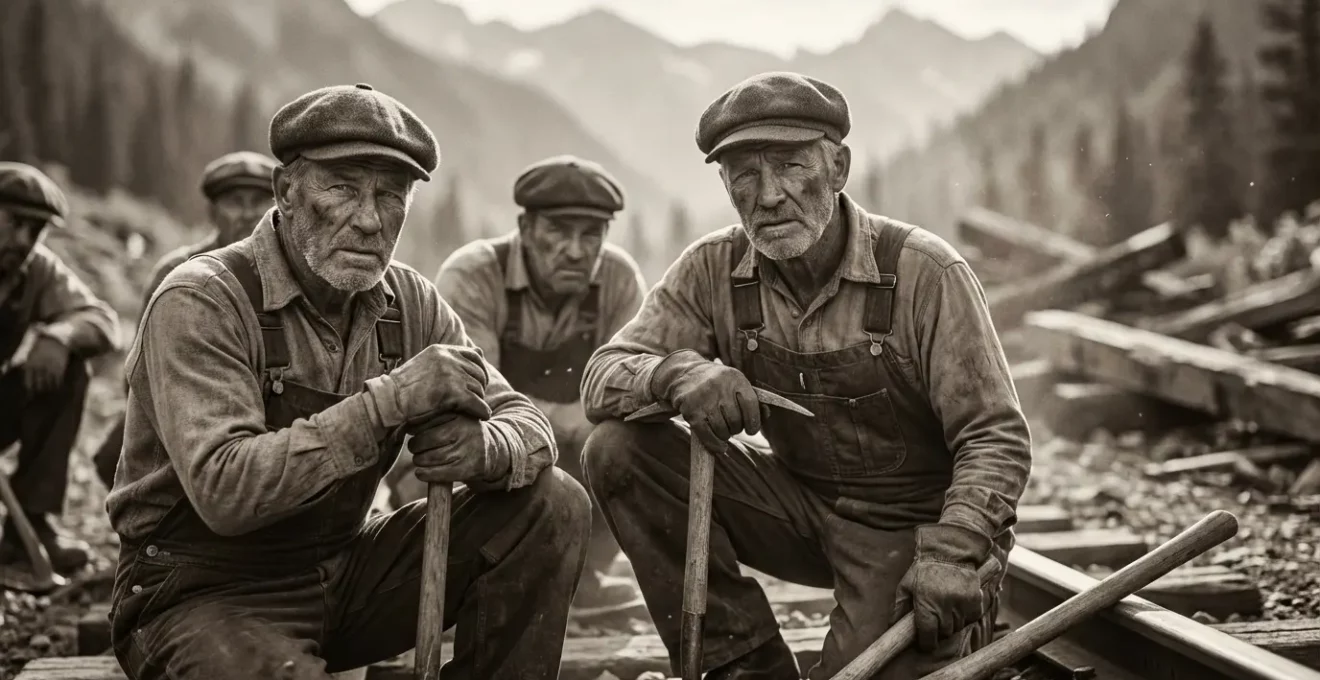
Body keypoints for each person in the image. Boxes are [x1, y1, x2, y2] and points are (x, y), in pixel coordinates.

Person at [104, 83, 591, 680]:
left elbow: (528, 423)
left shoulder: (410, 302)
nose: (368, 220)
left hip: (337, 572)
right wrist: (391, 402)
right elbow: (227, 491)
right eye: (342, 188)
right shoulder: (201, 299)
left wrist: (488, 448)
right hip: (200, 592)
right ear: (285, 192)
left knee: (553, 504)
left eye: (391, 196)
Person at [578, 72, 1032, 680]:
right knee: (619, 449)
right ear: (726, 185)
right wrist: (677, 375)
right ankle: (744, 661)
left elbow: (995, 436)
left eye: (792, 166)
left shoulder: (924, 272)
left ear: (838, 168)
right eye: (744, 174)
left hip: (910, 529)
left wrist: (954, 552)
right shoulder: (714, 269)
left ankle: (945, 620)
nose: (767, 196)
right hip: (798, 507)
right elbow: (601, 376)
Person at [423, 155, 647, 615]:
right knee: (465, 442)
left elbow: (634, 382)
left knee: (628, 445)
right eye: (559, 231)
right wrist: (571, 419)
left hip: (572, 454)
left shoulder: (618, 279)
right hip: (485, 455)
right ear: (525, 228)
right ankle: (472, 586)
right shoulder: (473, 275)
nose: (576, 249)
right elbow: (473, 393)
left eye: (591, 235)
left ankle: (581, 577)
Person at [92, 151, 277, 489]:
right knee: (117, 463)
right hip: (182, 403)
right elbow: (137, 373)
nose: (249, 213)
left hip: (267, 408)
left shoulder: (285, 273)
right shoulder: (178, 270)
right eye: (236, 202)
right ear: (213, 213)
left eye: (261, 201)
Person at [0, 162, 120, 585]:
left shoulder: (37, 270)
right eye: (14, 223)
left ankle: (27, 527)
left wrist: (60, 335)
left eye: (35, 230)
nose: (23, 240)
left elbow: (102, 321)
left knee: (69, 370)